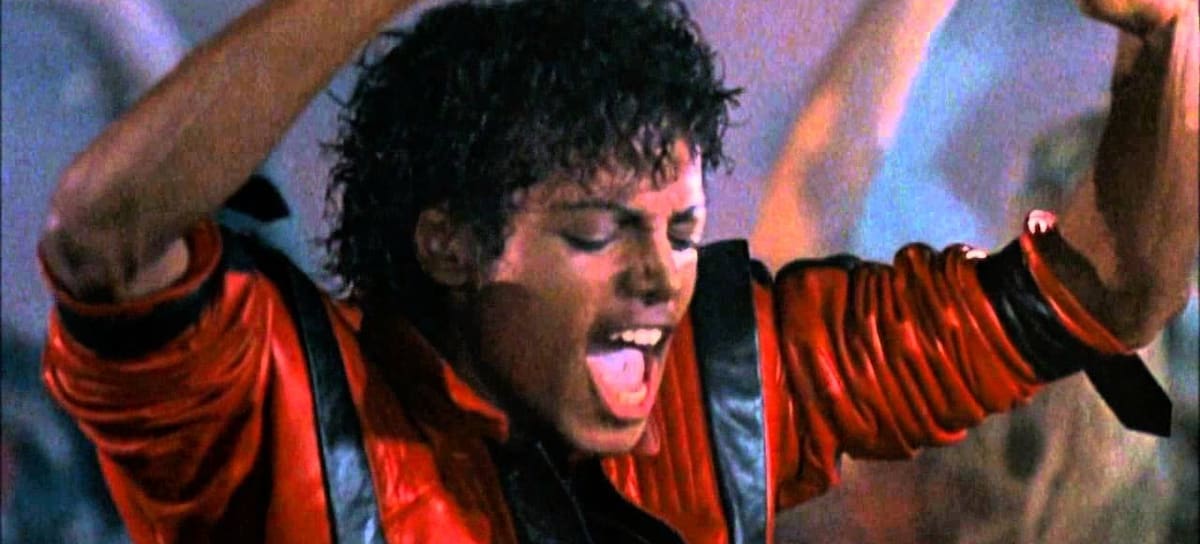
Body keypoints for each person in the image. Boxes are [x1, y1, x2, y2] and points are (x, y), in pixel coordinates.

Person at [37, 1, 1196, 543]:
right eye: (599, 234)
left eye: (682, 232)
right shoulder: (284, 417)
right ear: (451, 243)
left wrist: (1163, 39)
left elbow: (1102, 292)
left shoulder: (721, 390)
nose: (661, 279)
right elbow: (102, 236)